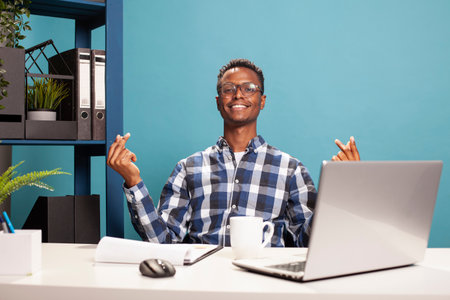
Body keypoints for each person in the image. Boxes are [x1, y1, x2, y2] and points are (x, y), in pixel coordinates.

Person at [107, 58, 360, 247]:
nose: (238, 94)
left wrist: (341, 189)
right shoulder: (188, 168)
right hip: (202, 286)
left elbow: (309, 244)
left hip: (268, 287)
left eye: (249, 88)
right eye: (229, 89)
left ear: (262, 101)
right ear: (219, 101)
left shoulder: (291, 169)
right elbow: (161, 244)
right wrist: (133, 181)